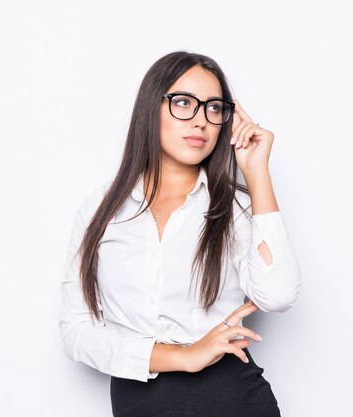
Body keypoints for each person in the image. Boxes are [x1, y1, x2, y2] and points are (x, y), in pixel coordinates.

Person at [58, 50, 301, 417]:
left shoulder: (235, 209)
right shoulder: (101, 209)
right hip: (140, 401)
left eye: (214, 108)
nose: (201, 121)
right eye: (183, 103)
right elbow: (76, 331)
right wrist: (182, 357)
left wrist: (256, 174)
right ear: (150, 108)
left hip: (231, 397)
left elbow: (279, 295)